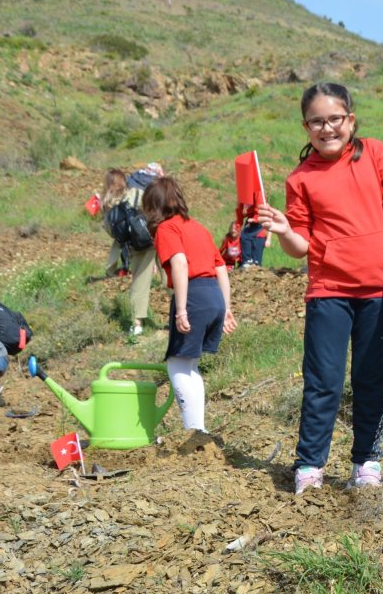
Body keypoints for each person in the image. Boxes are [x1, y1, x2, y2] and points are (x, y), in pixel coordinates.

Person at [258, 83, 383, 495]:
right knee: (323, 380)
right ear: (306, 127)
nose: (327, 128)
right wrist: (285, 230)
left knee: (371, 378)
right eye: (317, 122)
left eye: (334, 119)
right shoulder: (300, 178)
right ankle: (310, 464)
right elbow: (299, 247)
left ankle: (366, 461)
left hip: (378, 291)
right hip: (328, 293)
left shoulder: (373, 153)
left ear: (350, 120)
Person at [142, 176, 236, 432]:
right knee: (190, 364)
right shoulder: (198, 227)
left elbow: (180, 263)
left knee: (177, 365)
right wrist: (226, 308)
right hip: (214, 295)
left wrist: (181, 308)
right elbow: (221, 268)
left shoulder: (166, 229)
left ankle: (193, 431)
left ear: (153, 207)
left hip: (194, 295)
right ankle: (198, 430)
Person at [101, 168, 157, 335]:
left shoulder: (107, 204)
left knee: (139, 282)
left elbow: (110, 230)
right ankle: (186, 310)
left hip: (134, 246)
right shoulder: (135, 193)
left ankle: (137, 324)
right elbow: (151, 210)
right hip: (153, 237)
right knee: (171, 273)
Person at [237, 203, 270, 267]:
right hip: (249, 231)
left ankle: (256, 269)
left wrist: (268, 239)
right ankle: (246, 266)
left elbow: (269, 223)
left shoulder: (264, 206)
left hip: (260, 234)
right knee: (247, 258)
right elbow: (241, 215)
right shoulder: (246, 204)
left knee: (256, 260)